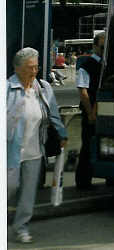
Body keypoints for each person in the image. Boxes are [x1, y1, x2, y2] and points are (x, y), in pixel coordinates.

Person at [7, 47, 68, 244]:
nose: (33, 72)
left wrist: (62, 133)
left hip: (34, 149)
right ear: (17, 69)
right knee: (9, 187)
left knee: (28, 194)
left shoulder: (43, 88)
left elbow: (54, 113)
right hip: (10, 150)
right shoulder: (7, 89)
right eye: (29, 68)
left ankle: (21, 228)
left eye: (36, 67)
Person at [75, 32, 104, 189]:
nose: (105, 49)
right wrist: (90, 113)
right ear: (95, 46)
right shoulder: (86, 65)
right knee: (87, 145)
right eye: (102, 46)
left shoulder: (109, 64)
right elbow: (83, 92)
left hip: (105, 110)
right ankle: (83, 180)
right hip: (92, 111)